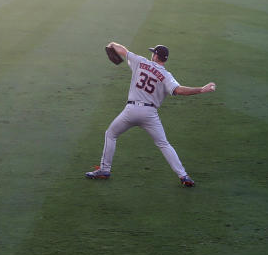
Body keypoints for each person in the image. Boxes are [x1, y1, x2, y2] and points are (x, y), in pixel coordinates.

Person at [86, 42, 216, 187]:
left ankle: (104, 170)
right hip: (150, 114)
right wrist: (201, 89)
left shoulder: (141, 61)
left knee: (111, 134)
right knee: (164, 144)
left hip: (131, 110)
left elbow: (123, 51)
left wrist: (112, 44)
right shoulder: (167, 76)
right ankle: (184, 176)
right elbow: (179, 90)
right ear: (164, 59)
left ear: (155, 56)